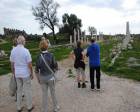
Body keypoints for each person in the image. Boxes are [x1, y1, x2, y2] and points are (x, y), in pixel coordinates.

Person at [10, 35, 34, 112]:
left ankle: (19, 107)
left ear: (17, 41)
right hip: (25, 73)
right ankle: (29, 106)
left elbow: (12, 63)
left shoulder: (13, 51)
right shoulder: (26, 51)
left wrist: (13, 72)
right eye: (25, 41)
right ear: (23, 42)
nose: (25, 42)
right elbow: (29, 64)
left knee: (19, 90)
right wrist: (31, 73)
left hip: (17, 73)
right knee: (28, 90)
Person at [35, 40, 60, 112]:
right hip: (51, 77)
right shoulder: (51, 55)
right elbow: (55, 66)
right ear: (47, 46)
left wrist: (38, 79)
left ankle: (44, 109)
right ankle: (56, 107)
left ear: (40, 47)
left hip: (42, 77)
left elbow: (36, 70)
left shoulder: (38, 57)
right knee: (53, 93)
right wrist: (55, 72)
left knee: (44, 94)